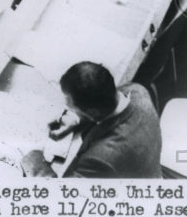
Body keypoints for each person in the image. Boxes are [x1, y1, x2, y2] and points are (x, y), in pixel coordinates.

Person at [22, 61, 162, 178]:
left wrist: (34, 159)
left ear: (92, 112)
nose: (69, 110)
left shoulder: (101, 158)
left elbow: (62, 196)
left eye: (72, 107)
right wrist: (76, 119)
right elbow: (105, 103)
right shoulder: (137, 91)